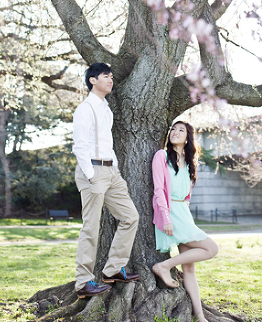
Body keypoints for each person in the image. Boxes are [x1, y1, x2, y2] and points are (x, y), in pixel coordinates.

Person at [73, 62, 140, 299]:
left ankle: (113, 269)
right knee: (91, 227)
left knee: (130, 217)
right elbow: (79, 146)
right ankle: (83, 282)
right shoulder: (85, 109)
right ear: (93, 80)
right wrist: (91, 175)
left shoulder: (106, 109)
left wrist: (115, 169)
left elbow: (106, 142)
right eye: (105, 76)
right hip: (93, 171)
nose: (110, 80)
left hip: (112, 173)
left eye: (112, 76)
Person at [151, 121, 219, 322]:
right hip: (170, 213)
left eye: (181, 130)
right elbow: (158, 191)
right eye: (173, 129)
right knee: (211, 249)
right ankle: (164, 266)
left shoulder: (189, 162)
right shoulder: (161, 156)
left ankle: (200, 316)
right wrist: (166, 219)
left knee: (189, 268)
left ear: (188, 137)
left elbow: (186, 196)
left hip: (183, 213)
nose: (175, 132)